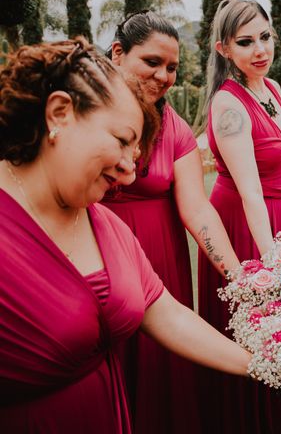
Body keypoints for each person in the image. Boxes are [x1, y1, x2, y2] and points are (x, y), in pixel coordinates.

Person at [0, 39, 251, 433]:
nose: (130, 172)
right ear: (60, 113)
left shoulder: (105, 224)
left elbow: (167, 314)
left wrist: (264, 364)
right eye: (121, 141)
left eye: (135, 152)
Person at [100, 11, 240, 434]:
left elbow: (197, 209)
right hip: (98, 253)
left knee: (162, 371)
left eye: (173, 68)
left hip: (160, 261)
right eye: (152, 62)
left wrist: (241, 277)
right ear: (118, 53)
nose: (164, 76)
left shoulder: (176, 128)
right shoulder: (90, 113)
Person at [197, 0, 281, 433]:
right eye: (245, 42)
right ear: (223, 49)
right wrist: (273, 261)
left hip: (278, 213)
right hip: (243, 223)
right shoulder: (228, 105)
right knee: (253, 326)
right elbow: (251, 193)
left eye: (265, 37)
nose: (260, 49)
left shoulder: (271, 88)